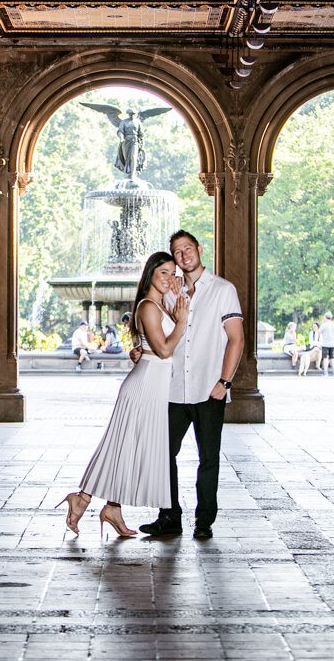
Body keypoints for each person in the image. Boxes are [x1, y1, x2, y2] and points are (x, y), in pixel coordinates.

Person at [57, 252, 189, 538]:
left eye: (172, 272)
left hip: (154, 383)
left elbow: (157, 346)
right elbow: (165, 350)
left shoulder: (161, 304)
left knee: (129, 449)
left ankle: (111, 508)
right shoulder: (148, 307)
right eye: (163, 272)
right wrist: (182, 320)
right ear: (151, 274)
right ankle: (82, 498)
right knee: (119, 447)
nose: (169, 278)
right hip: (144, 386)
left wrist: (177, 306)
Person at [134, 230, 243, 540]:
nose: (183, 255)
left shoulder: (223, 289)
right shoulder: (171, 293)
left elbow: (236, 338)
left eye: (187, 249)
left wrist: (224, 382)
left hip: (209, 388)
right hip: (172, 389)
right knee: (163, 453)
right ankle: (169, 516)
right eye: (176, 252)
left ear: (199, 249)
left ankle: (204, 520)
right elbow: (161, 335)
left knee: (208, 457)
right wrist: (141, 349)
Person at [318, 311, 334, 377]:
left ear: (325, 317)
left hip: (325, 344)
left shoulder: (324, 325)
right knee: (333, 358)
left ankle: (325, 372)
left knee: (325, 358)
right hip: (333, 343)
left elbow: (319, 332)